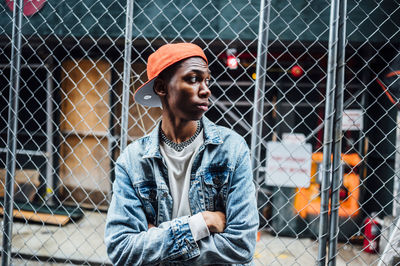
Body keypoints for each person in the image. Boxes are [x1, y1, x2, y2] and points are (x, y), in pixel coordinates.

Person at [104, 42, 258, 265]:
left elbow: (241, 245)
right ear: (161, 87)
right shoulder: (132, 161)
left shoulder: (232, 149)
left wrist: (156, 240)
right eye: (193, 79)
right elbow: (122, 249)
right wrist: (201, 224)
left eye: (207, 79)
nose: (206, 89)